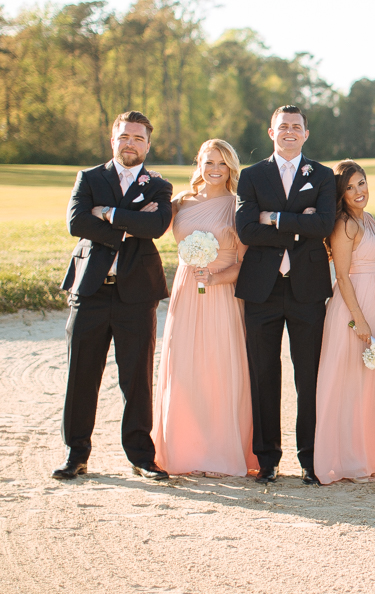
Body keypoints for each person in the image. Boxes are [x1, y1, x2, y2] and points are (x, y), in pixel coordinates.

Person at [55, 111, 174, 481]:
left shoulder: (159, 185)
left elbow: (155, 226)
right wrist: (129, 223)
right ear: (113, 139)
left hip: (136, 295)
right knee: (81, 375)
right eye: (124, 136)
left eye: (138, 138)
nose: (131, 143)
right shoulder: (89, 177)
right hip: (90, 290)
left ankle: (141, 457)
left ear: (148, 145)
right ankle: (76, 454)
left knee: (136, 377)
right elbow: (77, 222)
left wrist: (106, 213)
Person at [235, 105, 336, 485]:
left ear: (306, 134)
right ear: (270, 131)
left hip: (306, 290)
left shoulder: (323, 176)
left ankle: (311, 458)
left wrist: (273, 218)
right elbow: (246, 229)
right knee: (263, 374)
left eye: (296, 127)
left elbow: (324, 223)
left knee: (307, 376)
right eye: (283, 127)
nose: (289, 132)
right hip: (261, 290)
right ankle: (268, 459)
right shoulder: (252, 175)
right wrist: (299, 224)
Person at [152, 139, 255, 477]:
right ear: (198, 163)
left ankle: (220, 454)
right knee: (184, 368)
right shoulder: (180, 202)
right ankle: (184, 451)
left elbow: (244, 262)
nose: (214, 169)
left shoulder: (238, 205)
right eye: (208, 162)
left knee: (219, 368)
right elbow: (148, 230)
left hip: (221, 294)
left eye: (222, 164)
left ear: (231, 169)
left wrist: (214, 278)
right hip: (186, 291)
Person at [313, 161, 375, 485]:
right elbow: (344, 277)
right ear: (341, 193)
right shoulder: (345, 224)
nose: (358, 192)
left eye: (361, 183)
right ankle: (348, 460)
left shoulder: (371, 219)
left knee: (373, 382)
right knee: (350, 382)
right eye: (349, 187)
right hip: (355, 310)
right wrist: (359, 320)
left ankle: (372, 455)